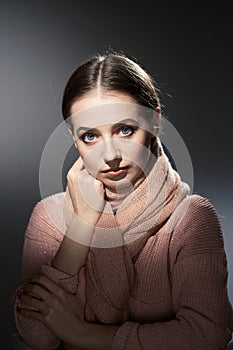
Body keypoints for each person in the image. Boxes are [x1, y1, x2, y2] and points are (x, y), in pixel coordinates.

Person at [13, 52, 233, 350]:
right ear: (72, 136)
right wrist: (81, 224)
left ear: (154, 121)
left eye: (125, 130)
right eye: (90, 136)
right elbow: (37, 335)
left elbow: (208, 335)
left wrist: (81, 334)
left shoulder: (192, 218)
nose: (110, 156)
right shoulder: (50, 215)